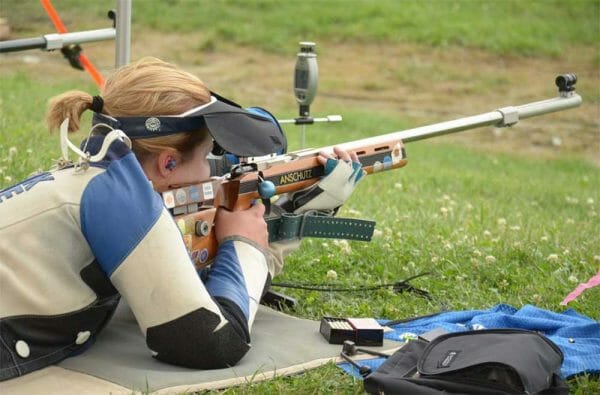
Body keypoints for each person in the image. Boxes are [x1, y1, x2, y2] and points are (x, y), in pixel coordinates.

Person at [0, 57, 364, 380]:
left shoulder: (98, 181)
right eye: (208, 156)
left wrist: (286, 216)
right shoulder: (122, 200)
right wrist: (246, 246)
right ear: (168, 163)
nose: (212, 169)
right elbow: (212, 343)